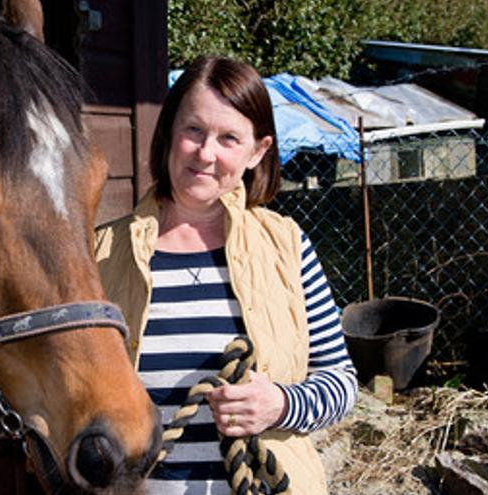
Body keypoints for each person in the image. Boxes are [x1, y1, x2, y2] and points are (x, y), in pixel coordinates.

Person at [94, 56, 357, 495]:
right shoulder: (100, 254)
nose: (205, 153)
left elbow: (341, 383)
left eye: (229, 138)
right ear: (169, 134)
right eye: (193, 130)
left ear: (258, 151)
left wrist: (280, 404)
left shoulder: (287, 247)